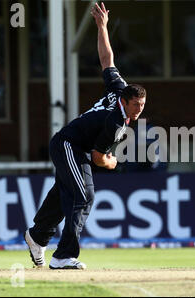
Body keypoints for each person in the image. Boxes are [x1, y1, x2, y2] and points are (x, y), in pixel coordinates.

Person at [24, 2, 146, 269]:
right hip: (68, 144)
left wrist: (102, 27)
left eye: (142, 106)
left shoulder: (119, 87)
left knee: (65, 191)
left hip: (74, 147)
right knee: (84, 195)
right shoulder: (116, 122)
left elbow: (107, 60)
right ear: (125, 102)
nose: (138, 111)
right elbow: (99, 157)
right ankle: (63, 256)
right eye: (135, 106)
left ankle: (37, 236)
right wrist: (113, 162)